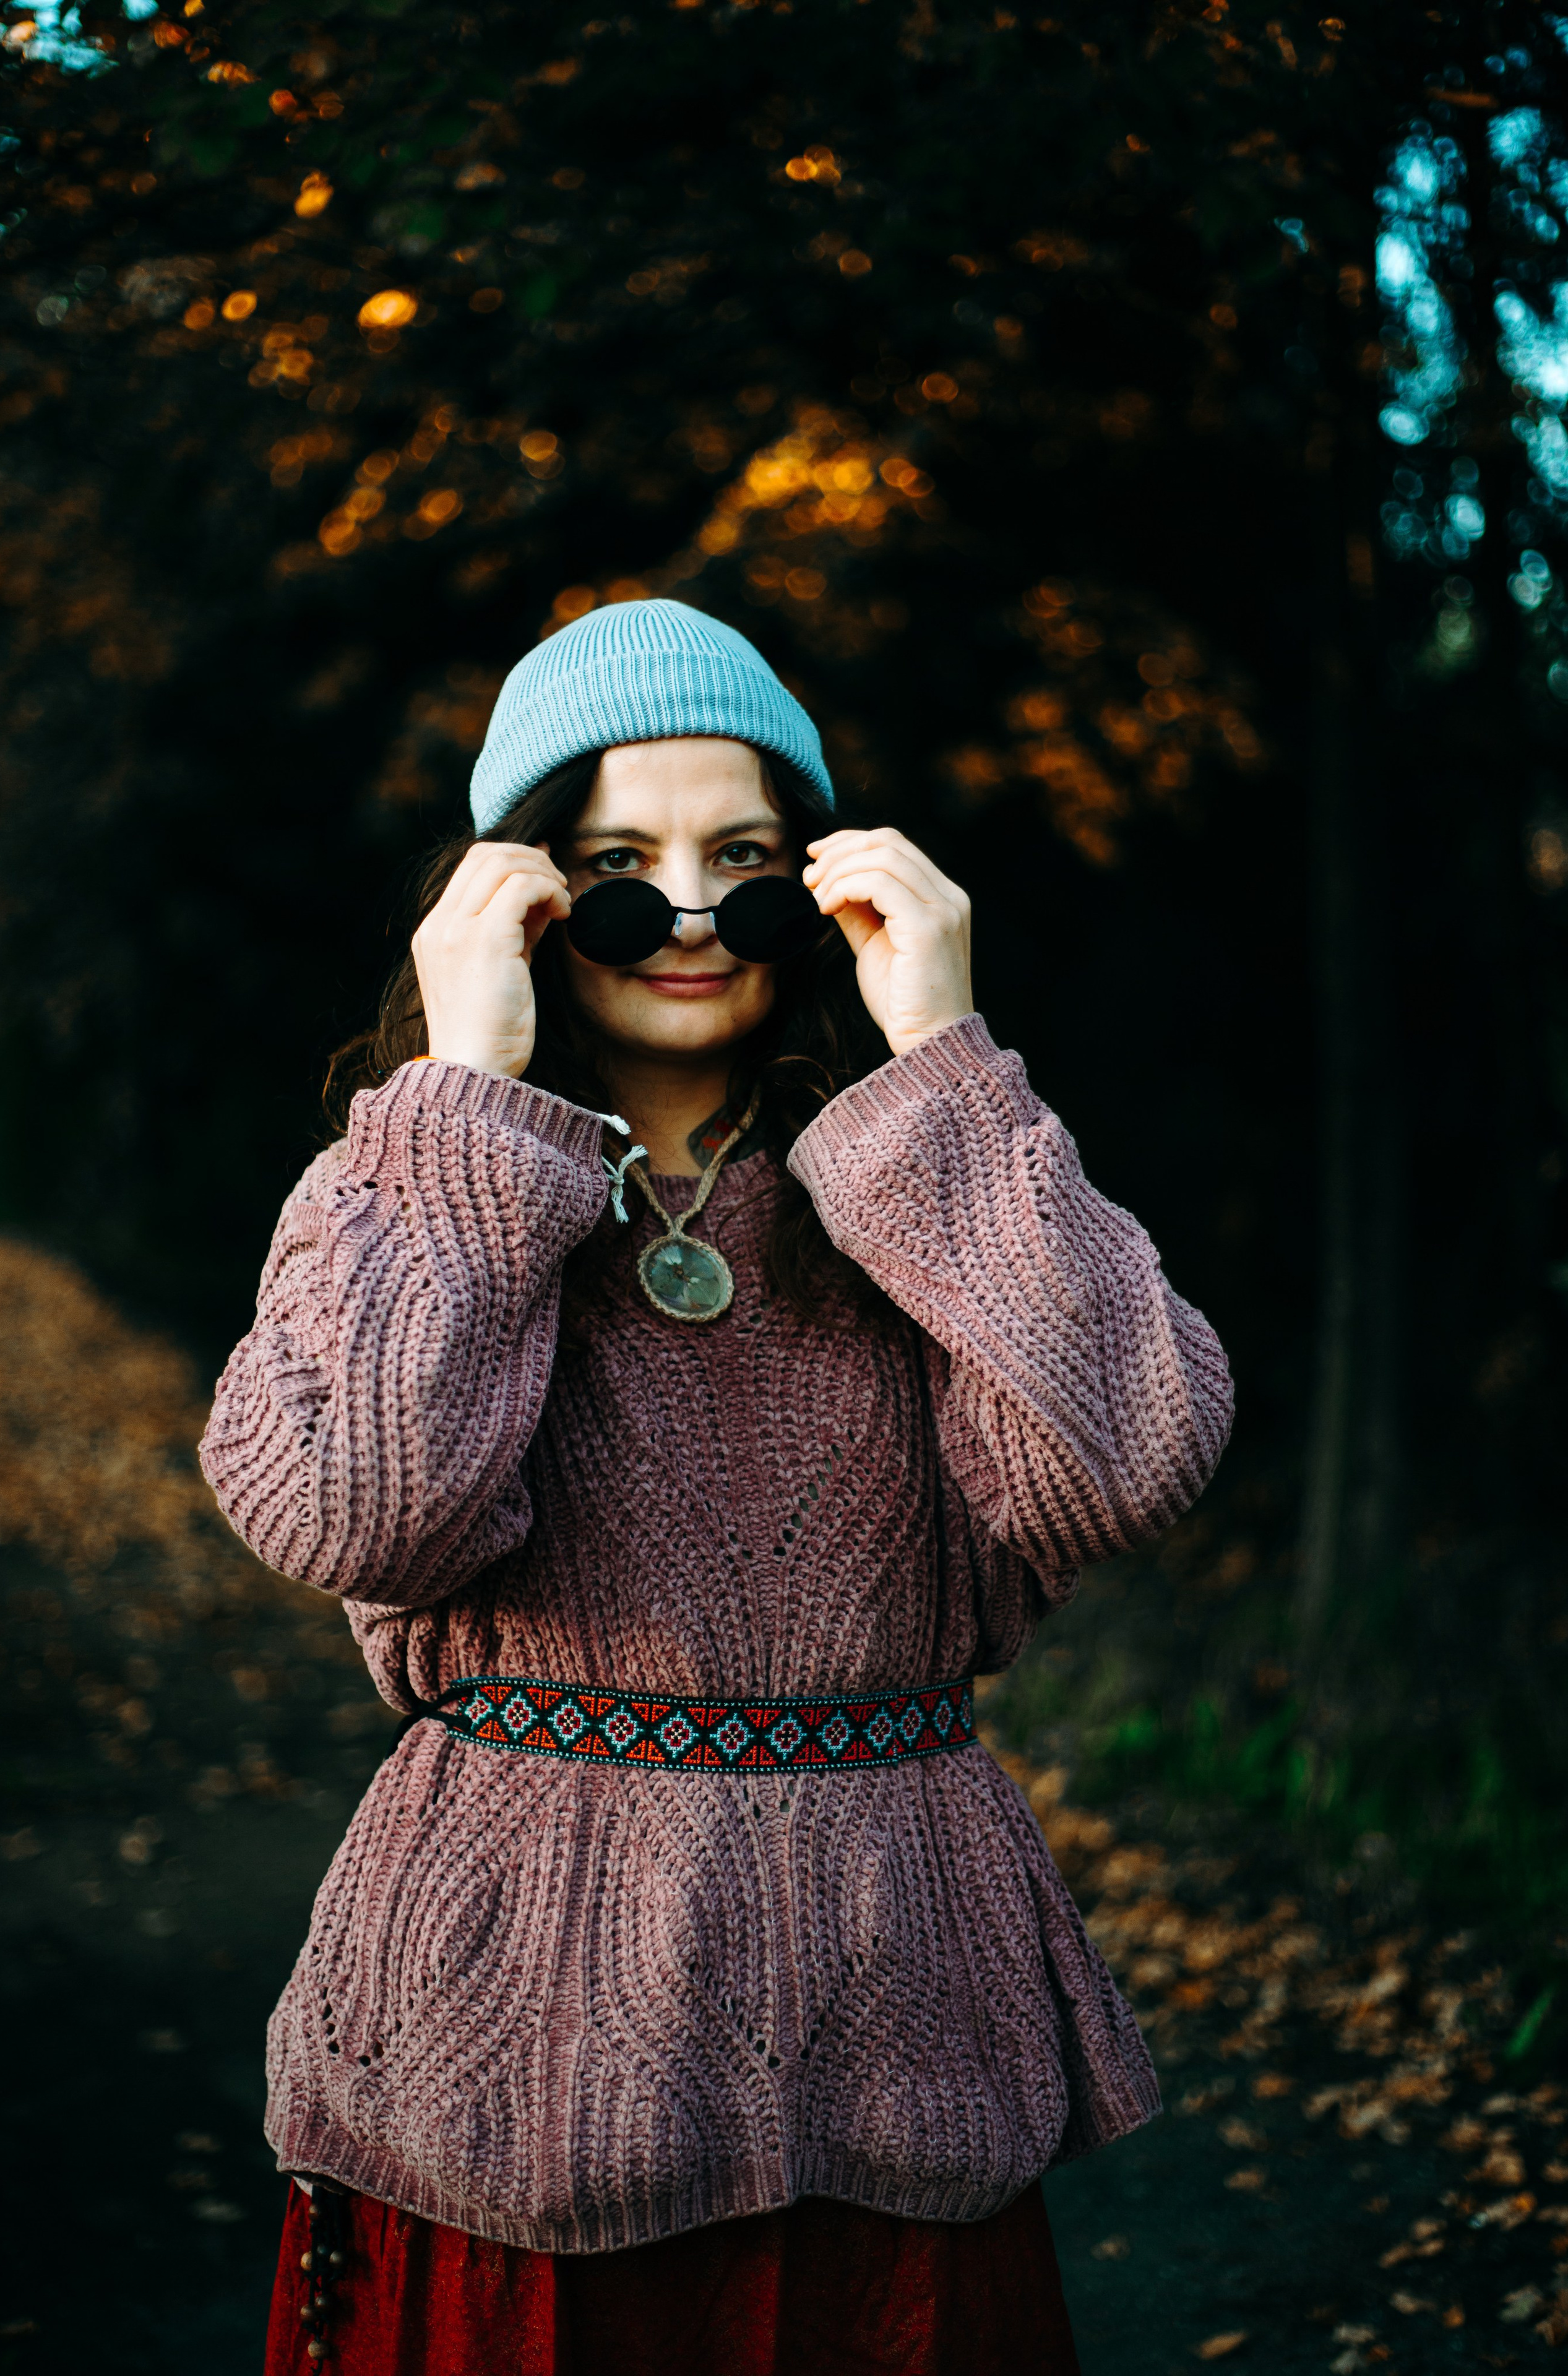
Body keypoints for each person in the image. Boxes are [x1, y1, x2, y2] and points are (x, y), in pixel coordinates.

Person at [200, 598, 1233, 2375]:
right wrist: (468, 1097)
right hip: (507, 2071)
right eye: (620, 867)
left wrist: (943, 1064)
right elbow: (356, 1511)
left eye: (744, 861)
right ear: (519, 896)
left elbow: (1130, 1462)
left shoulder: (926, 1183)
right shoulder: (397, 1185)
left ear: (820, 889)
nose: (687, 913)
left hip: (904, 2039)